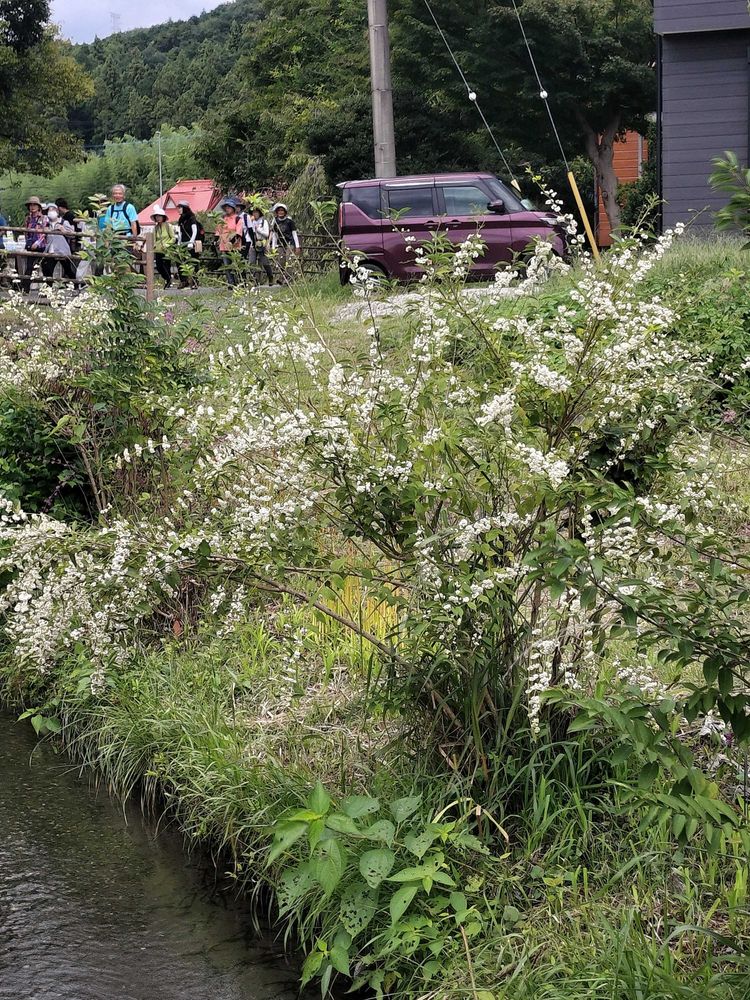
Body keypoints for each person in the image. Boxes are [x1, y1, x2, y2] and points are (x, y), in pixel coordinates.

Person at [17, 196, 47, 293]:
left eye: (35, 205)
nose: (32, 207)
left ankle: (47, 289)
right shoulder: (28, 218)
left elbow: (44, 232)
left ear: (39, 207)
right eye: (31, 205)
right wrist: (28, 242)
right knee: (29, 266)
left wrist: (37, 243)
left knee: (45, 267)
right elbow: (26, 232)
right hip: (30, 244)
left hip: (40, 245)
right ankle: (25, 289)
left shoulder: (43, 218)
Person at [42, 205, 76, 284]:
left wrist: (64, 230)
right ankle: (49, 287)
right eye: (49, 210)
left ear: (57, 211)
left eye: (52, 210)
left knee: (68, 269)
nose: (51, 212)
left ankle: (76, 284)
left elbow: (72, 235)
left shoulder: (64, 222)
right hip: (50, 250)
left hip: (62, 250)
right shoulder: (46, 223)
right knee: (47, 269)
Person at [270, 202, 301, 283]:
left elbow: (294, 234)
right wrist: (273, 247)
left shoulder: (289, 222)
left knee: (289, 259)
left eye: (282, 210)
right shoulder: (275, 222)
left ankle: (289, 278)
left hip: (289, 243)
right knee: (281, 261)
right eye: (279, 211)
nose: (280, 212)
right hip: (280, 244)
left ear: (285, 212)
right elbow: (274, 235)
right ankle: (281, 278)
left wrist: (297, 246)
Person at [215, 199, 243, 287]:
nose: (227, 209)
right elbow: (218, 231)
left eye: (229, 207)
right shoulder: (222, 219)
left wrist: (231, 242)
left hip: (234, 246)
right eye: (226, 207)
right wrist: (215, 240)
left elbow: (238, 233)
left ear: (233, 208)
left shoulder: (238, 219)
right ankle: (231, 283)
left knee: (235, 265)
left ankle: (239, 282)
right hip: (223, 246)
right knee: (227, 265)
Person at [176, 200, 200, 288]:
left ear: (185, 208)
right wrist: (179, 243)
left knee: (193, 262)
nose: (178, 209)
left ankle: (195, 281)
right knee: (180, 261)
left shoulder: (191, 218)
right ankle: (183, 280)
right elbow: (180, 232)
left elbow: (195, 231)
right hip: (183, 243)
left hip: (191, 243)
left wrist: (191, 242)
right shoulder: (181, 219)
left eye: (180, 208)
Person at [248, 207, 274, 286]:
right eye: (253, 212)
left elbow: (266, 233)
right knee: (252, 262)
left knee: (265, 262)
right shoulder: (250, 222)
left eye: (256, 212)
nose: (255, 214)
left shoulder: (263, 222)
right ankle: (253, 280)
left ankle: (270, 277)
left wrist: (258, 229)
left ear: (259, 213)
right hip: (253, 243)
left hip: (262, 243)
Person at [151, 207, 175, 289]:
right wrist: (153, 245)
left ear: (163, 217)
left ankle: (168, 282)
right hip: (158, 250)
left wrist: (167, 244)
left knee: (166, 266)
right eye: (156, 216)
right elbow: (154, 239)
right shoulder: (156, 228)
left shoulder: (168, 226)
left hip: (167, 250)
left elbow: (173, 238)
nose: (158, 218)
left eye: (159, 216)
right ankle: (168, 279)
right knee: (159, 266)